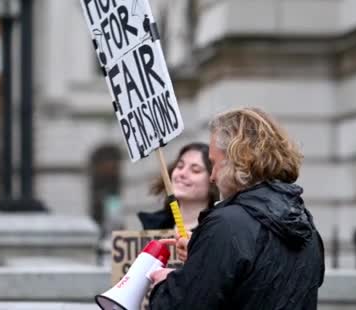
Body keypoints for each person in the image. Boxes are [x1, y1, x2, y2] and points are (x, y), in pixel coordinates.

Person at [149, 107, 325, 310]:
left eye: (214, 163)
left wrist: (164, 283)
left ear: (237, 159)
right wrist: (203, 256)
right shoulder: (306, 225)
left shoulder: (226, 224)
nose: (213, 176)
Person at [138, 142, 219, 230]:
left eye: (195, 170)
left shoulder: (219, 229)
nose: (182, 173)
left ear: (213, 179)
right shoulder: (153, 226)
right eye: (180, 166)